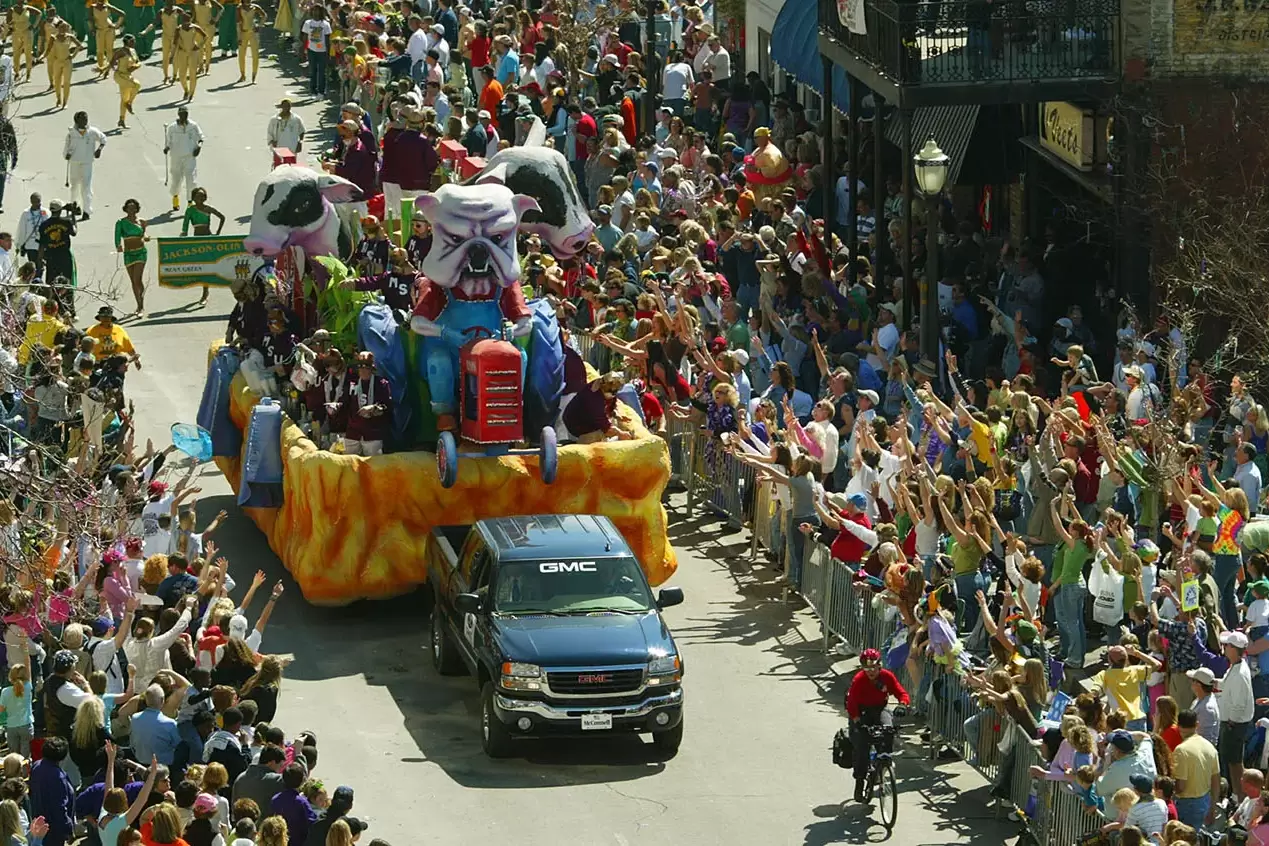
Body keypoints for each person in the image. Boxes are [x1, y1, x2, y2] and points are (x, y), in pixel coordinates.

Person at [844, 648, 909, 804]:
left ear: (880, 665)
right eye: (867, 668)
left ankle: (884, 760)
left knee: (888, 729)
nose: (871, 671)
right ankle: (859, 781)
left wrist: (902, 704)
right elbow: (851, 704)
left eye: (874, 667)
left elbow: (902, 693)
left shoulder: (887, 676)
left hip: (879, 709)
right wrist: (857, 721)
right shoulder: (858, 680)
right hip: (861, 712)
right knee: (862, 744)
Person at [1172, 709, 1221, 830]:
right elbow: (1216, 782)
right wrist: (1212, 808)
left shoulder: (1181, 750)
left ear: (1178, 726)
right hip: (1205, 801)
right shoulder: (1209, 747)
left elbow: (1181, 787)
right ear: (1197, 724)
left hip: (1186, 805)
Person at [29, 737, 72, 846]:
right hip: (53, 828)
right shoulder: (58, 777)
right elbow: (60, 806)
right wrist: (68, 827)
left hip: (38, 823)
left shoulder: (36, 766)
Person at [63, 111, 106, 220]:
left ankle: (87, 210)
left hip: (87, 163)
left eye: (86, 118)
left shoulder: (92, 132)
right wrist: (66, 155)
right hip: (74, 162)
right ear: (76, 121)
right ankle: (75, 206)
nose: (85, 121)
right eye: (82, 119)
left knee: (86, 187)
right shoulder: (71, 133)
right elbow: (66, 148)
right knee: (74, 186)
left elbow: (103, 139)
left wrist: (99, 150)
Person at [130, 684, 182, 767]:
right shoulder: (170, 723)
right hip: (163, 768)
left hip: (141, 763)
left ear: (146, 701)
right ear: (162, 700)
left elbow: (132, 743)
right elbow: (179, 745)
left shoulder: (134, 718)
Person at [113, 198, 149, 316]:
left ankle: (141, 306)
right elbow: (117, 236)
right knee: (133, 281)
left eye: (134, 207)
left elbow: (143, 234)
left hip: (140, 252)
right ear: (126, 209)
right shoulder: (121, 222)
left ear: (137, 209)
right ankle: (138, 303)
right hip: (128, 253)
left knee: (137, 279)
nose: (131, 210)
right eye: (129, 207)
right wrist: (118, 246)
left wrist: (146, 237)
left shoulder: (142, 221)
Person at [165, 106, 204, 212]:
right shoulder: (172, 128)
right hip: (176, 157)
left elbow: (200, 138)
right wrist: (167, 148)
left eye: (186, 114)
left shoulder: (193, 125)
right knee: (176, 180)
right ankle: (175, 199)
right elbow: (169, 142)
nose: (184, 116)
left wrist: (199, 147)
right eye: (182, 114)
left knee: (191, 180)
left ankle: (190, 203)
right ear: (178, 114)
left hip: (189, 156)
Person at [110, 34, 141, 129]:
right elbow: (112, 62)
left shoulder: (133, 51)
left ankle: (121, 120)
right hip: (120, 76)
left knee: (124, 98)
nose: (134, 42)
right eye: (132, 41)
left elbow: (138, 61)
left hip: (128, 76)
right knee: (136, 85)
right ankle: (129, 104)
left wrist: (136, 66)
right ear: (126, 42)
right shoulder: (121, 51)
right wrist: (104, 69)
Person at [172, 17, 207, 100]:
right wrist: (172, 55)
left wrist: (199, 45)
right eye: (184, 20)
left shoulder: (195, 27)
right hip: (182, 52)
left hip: (193, 52)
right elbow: (175, 42)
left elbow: (205, 36)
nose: (186, 22)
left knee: (192, 74)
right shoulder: (178, 29)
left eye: (188, 20)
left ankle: (191, 93)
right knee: (181, 75)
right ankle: (186, 90)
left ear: (190, 20)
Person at [300, 7, 331, 96]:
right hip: (311, 50)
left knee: (322, 71)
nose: (315, 12)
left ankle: (321, 90)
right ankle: (313, 89)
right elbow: (305, 38)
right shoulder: (307, 23)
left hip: (322, 51)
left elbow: (327, 40)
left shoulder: (325, 24)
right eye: (314, 10)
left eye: (317, 10)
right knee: (313, 70)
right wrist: (303, 51)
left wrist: (328, 54)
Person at [235, 0, 262, 82]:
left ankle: (254, 76)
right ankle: (242, 74)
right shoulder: (239, 8)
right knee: (241, 55)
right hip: (243, 33)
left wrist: (259, 25)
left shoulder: (255, 7)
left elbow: (264, 15)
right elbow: (238, 23)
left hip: (253, 33)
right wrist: (239, 37)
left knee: (255, 54)